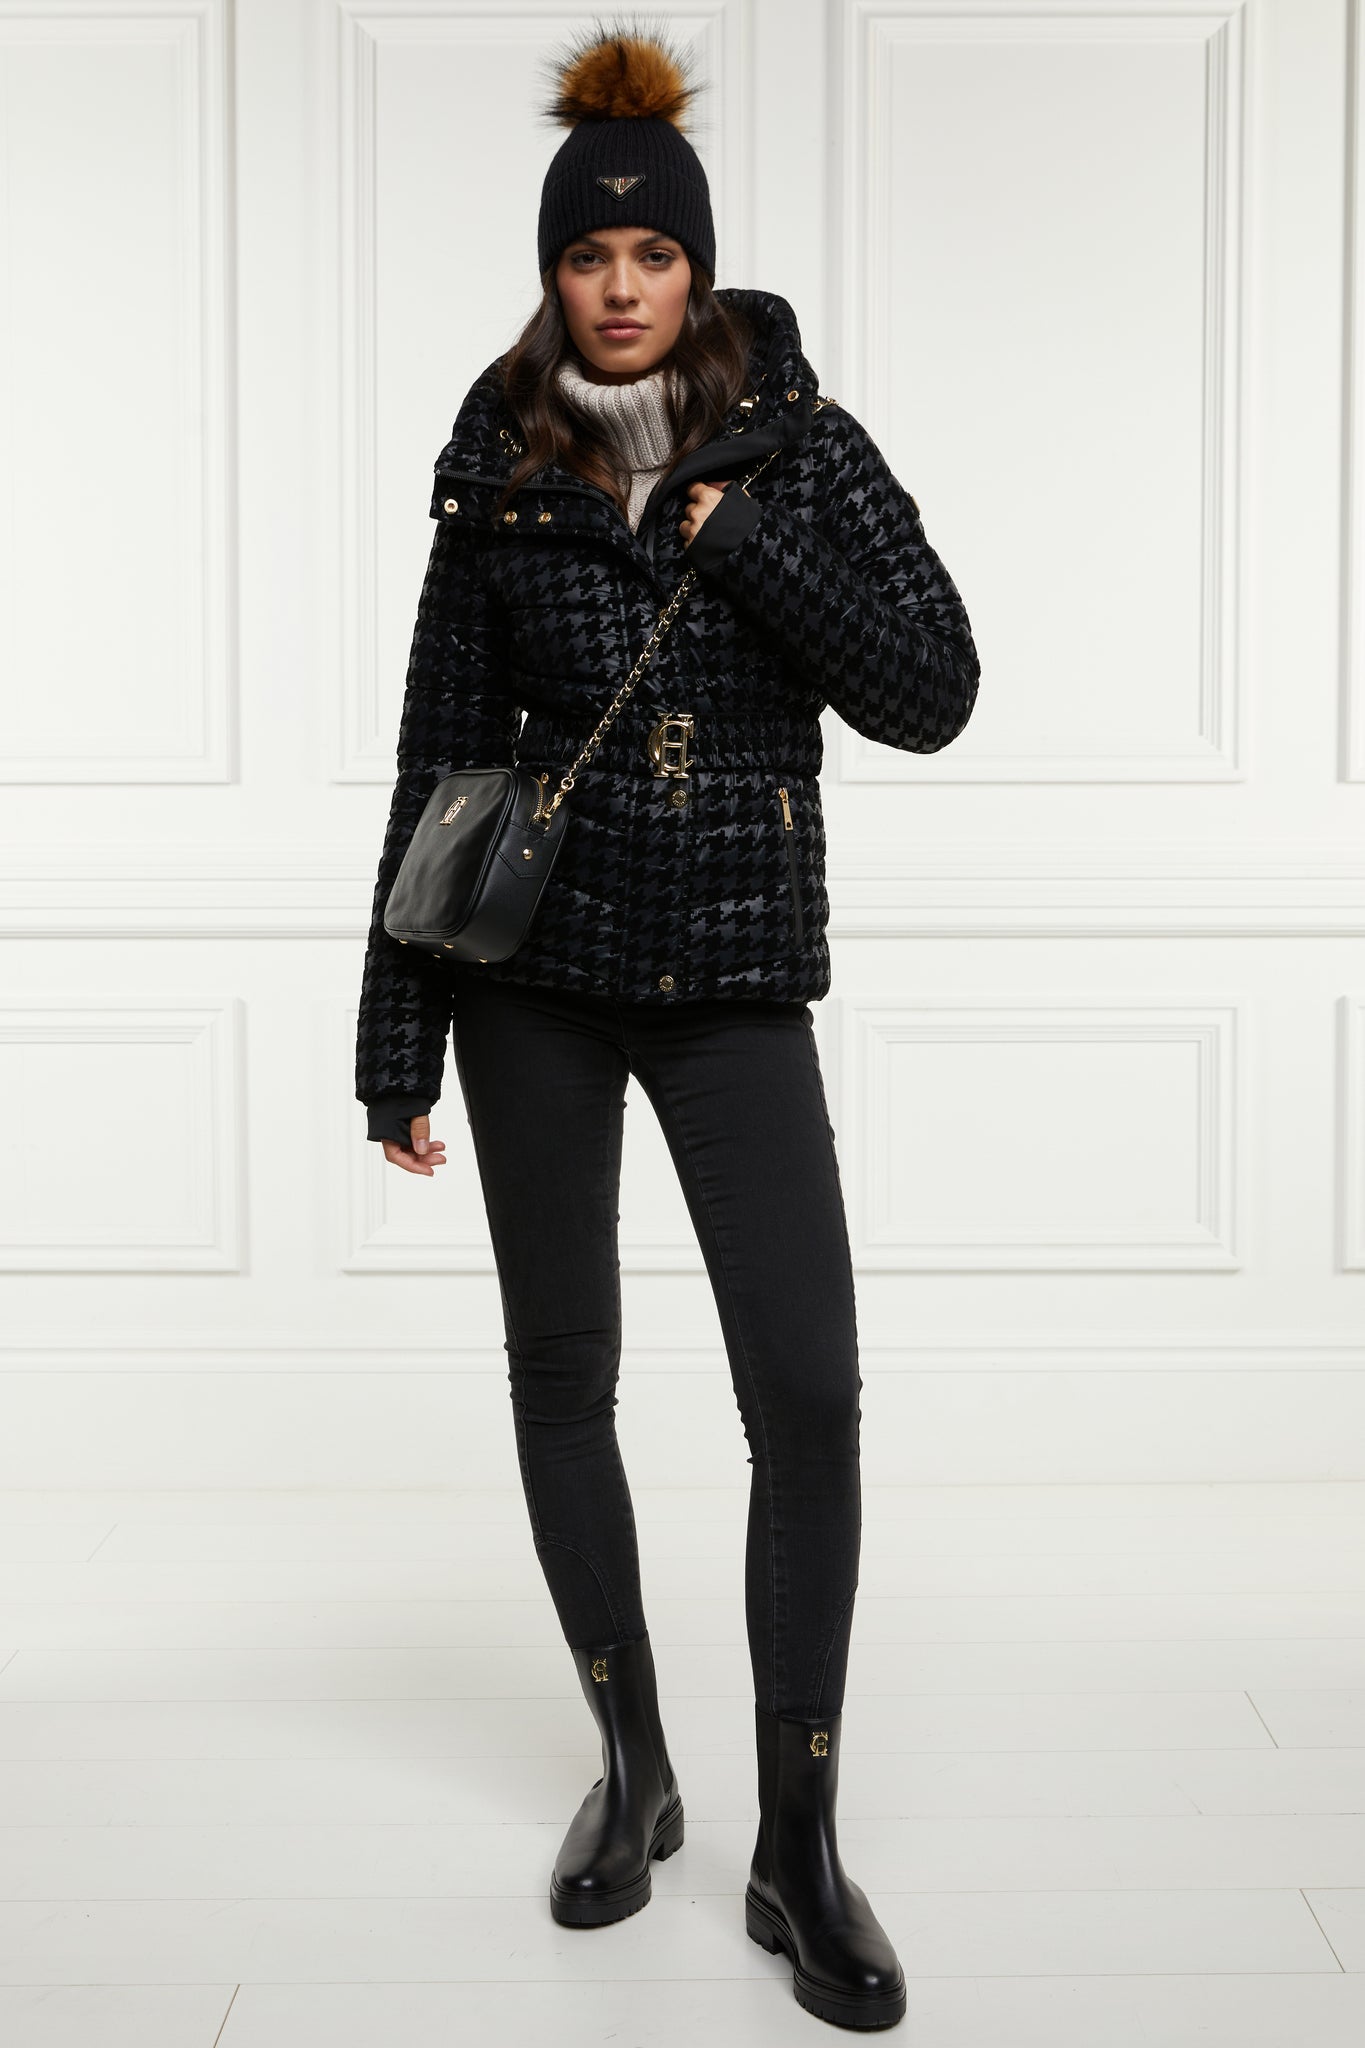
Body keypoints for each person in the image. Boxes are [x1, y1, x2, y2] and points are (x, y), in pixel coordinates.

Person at [354, 20, 979, 2032]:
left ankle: (799, 1838)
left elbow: (933, 688)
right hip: (531, 990)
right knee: (566, 1374)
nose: (618, 286)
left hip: (731, 982)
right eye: (584, 256)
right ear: (551, 273)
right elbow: (440, 762)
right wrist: (394, 1040)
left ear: (696, 268)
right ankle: (630, 1767)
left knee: (806, 1391)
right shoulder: (496, 463)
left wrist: (748, 543)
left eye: (650, 254)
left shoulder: (800, 444)